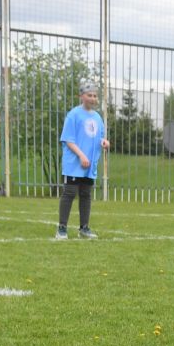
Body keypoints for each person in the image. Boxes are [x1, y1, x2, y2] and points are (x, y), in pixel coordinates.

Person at [56, 83, 108, 240]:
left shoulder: (98, 117)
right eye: (89, 95)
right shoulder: (74, 115)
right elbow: (68, 140)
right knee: (70, 192)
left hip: (89, 164)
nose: (92, 98)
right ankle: (62, 228)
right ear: (81, 97)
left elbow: (100, 137)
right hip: (75, 163)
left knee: (86, 194)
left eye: (94, 95)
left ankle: (84, 228)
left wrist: (104, 142)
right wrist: (81, 155)